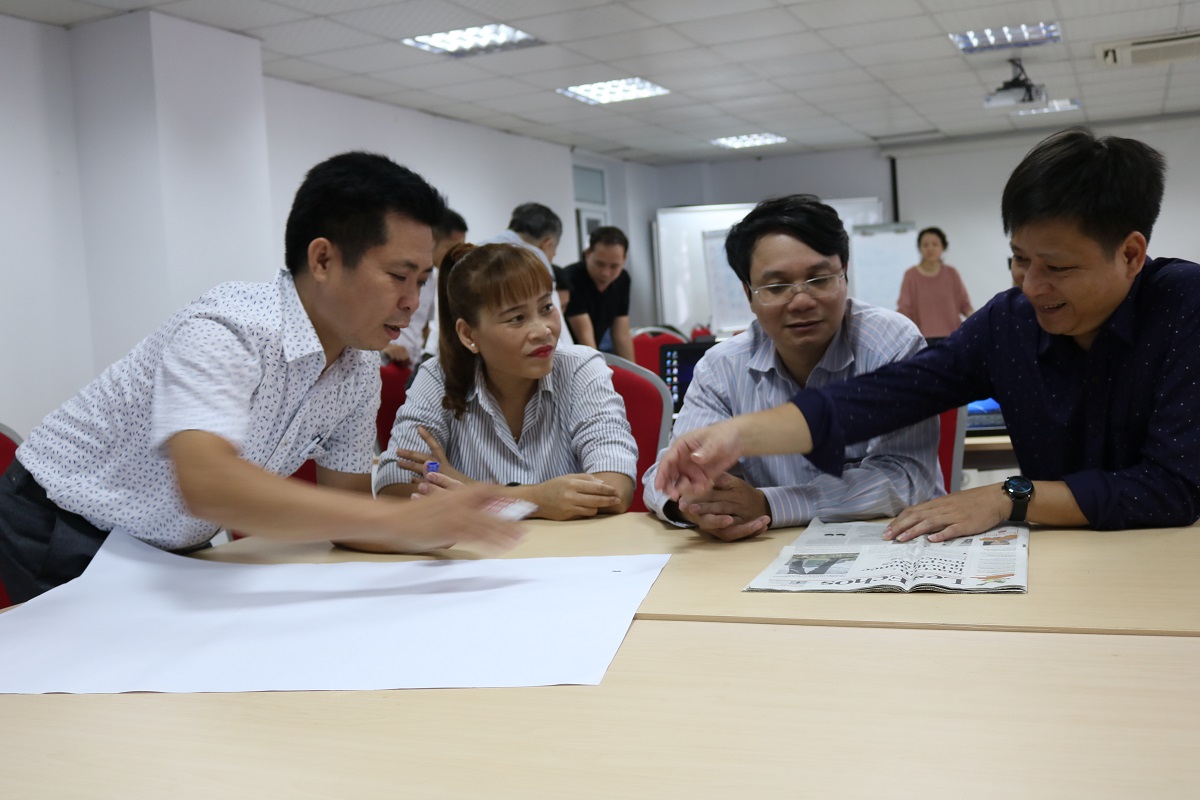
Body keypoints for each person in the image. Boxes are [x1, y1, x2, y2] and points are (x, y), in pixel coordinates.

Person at [0, 152, 522, 603]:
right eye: (398, 276)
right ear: (323, 259)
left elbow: (348, 507)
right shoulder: (229, 330)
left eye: (423, 280)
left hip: (166, 544)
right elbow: (208, 485)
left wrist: (441, 524)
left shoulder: (358, 366)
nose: (412, 301)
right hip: (62, 523)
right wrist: (399, 522)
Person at [654, 127, 1200, 543]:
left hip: (1167, 552)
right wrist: (739, 435)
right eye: (1019, 259)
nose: (1032, 287)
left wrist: (1010, 496)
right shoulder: (1010, 322)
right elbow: (889, 394)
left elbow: (1174, 488)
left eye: (1056, 267)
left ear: (1131, 254)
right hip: (1061, 553)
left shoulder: (1183, 305)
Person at [642, 195, 942, 541]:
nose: (801, 301)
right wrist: (696, 507)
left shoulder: (891, 344)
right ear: (749, 294)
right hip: (761, 553)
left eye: (819, 279)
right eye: (776, 287)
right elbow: (667, 476)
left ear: (844, 275)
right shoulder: (721, 367)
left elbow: (907, 477)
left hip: (891, 546)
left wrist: (771, 504)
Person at [373, 242, 638, 521]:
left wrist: (465, 488)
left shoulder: (580, 369)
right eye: (517, 318)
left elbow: (616, 488)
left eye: (546, 307)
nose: (542, 330)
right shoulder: (438, 377)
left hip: (572, 547)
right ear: (468, 335)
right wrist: (537, 499)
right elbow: (394, 486)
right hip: (475, 547)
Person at [478, 202, 573, 349]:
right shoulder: (535, 258)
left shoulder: (474, 252)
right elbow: (561, 338)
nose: (551, 258)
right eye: (553, 253)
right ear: (547, 244)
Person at [383, 208, 467, 366]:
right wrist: (384, 347)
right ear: (431, 241)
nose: (457, 255)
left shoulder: (436, 279)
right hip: (385, 360)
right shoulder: (394, 272)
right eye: (452, 247)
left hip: (412, 362)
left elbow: (425, 327)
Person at [563, 226, 635, 362]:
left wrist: (635, 372)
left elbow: (621, 335)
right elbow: (585, 337)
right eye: (600, 264)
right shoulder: (572, 277)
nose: (606, 273)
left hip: (595, 348)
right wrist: (598, 371)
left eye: (614, 266)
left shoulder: (623, 279)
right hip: (569, 356)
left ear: (624, 259)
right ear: (588, 254)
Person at [896, 226, 974, 341]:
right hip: (922, 339)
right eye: (925, 245)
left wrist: (980, 321)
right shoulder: (911, 275)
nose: (930, 248)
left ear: (943, 247)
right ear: (920, 248)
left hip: (953, 338)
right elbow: (904, 309)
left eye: (935, 244)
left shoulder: (951, 273)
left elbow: (965, 306)